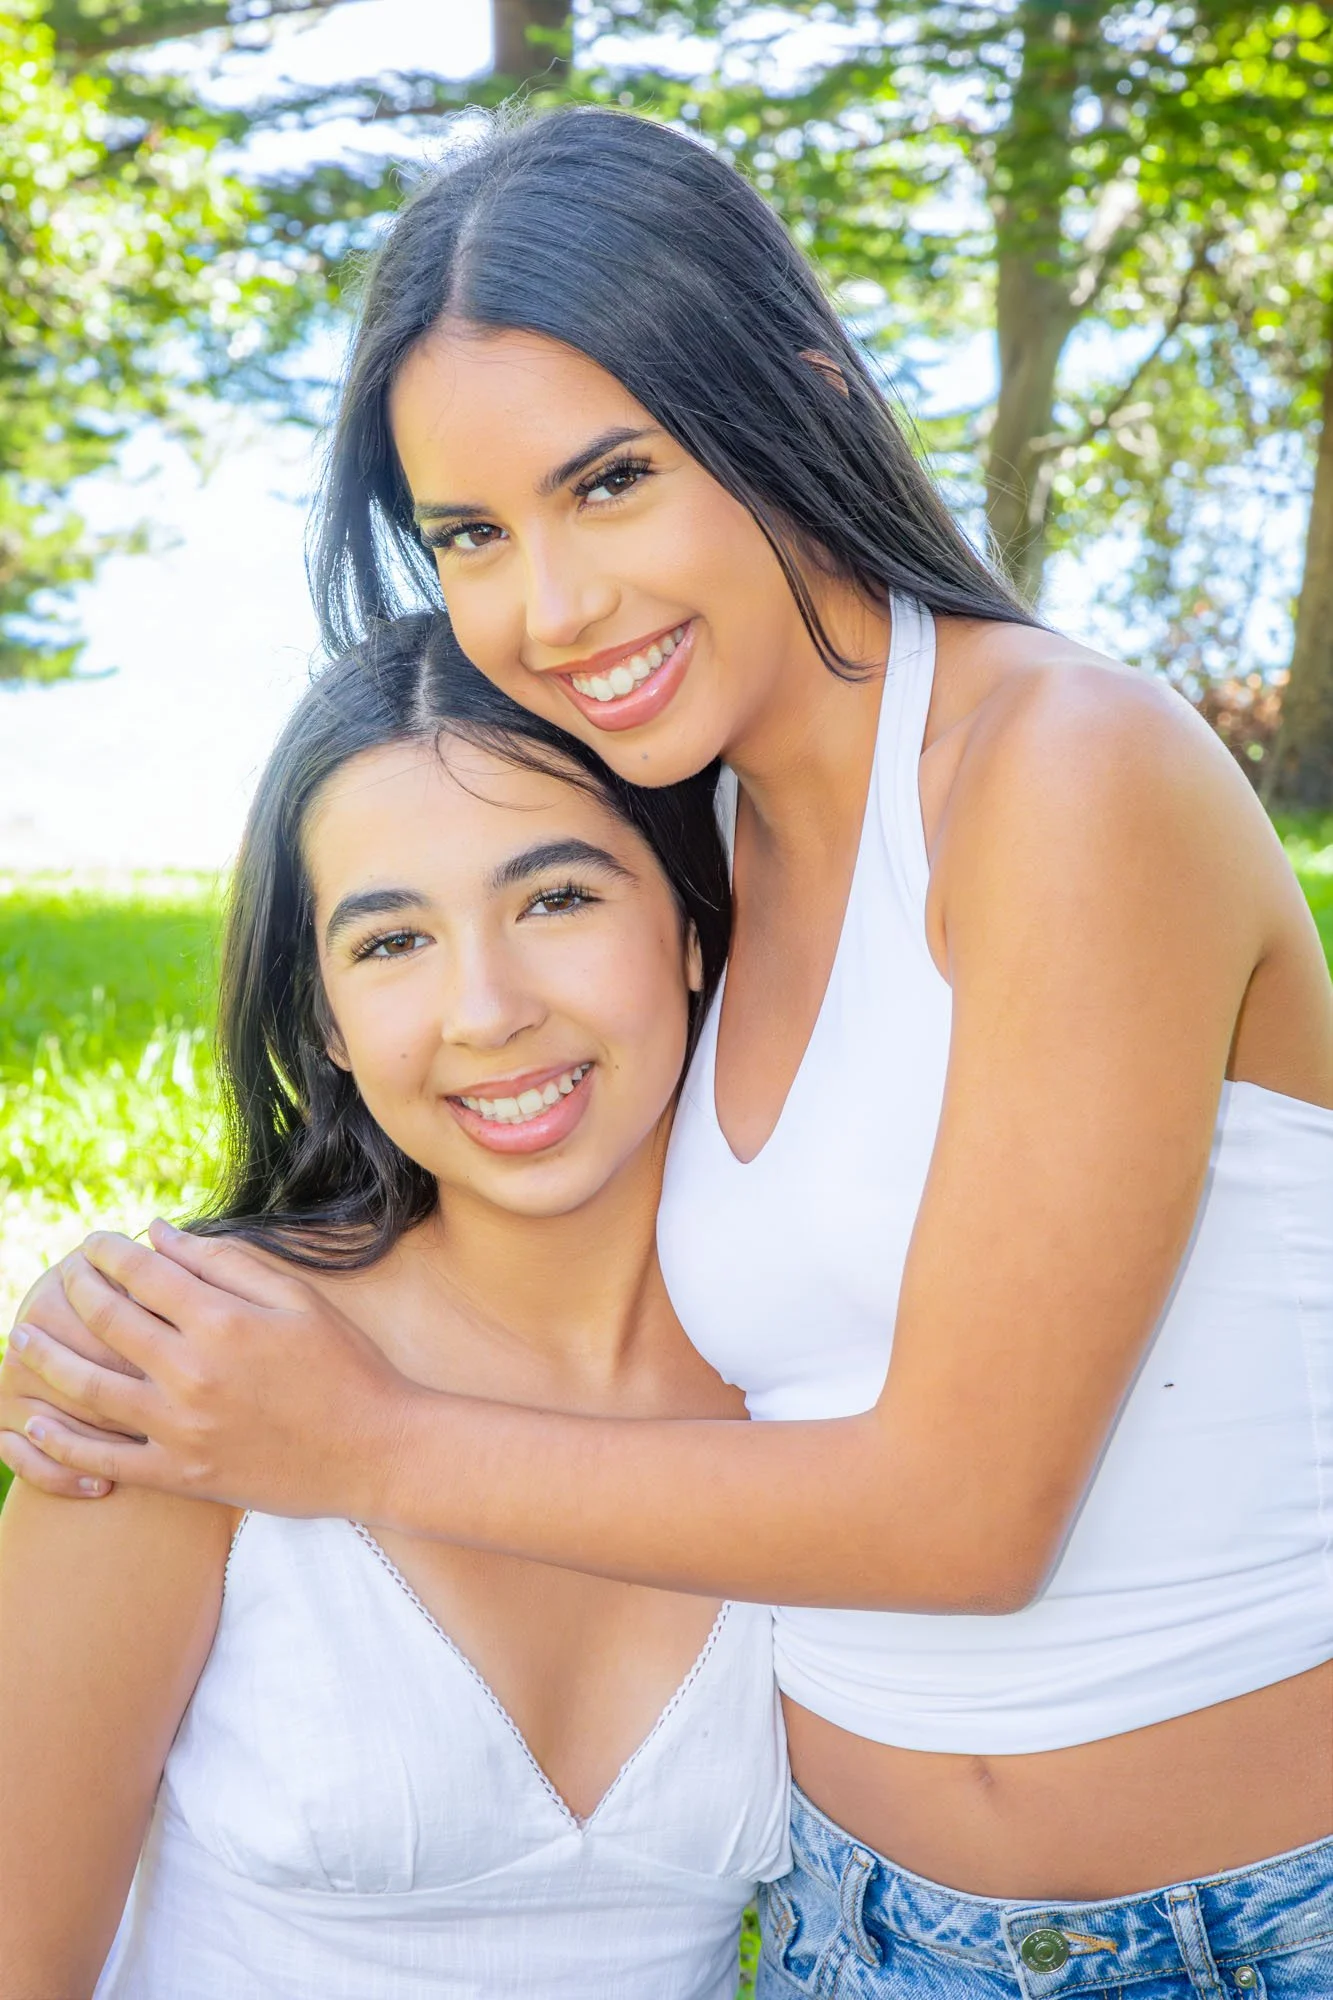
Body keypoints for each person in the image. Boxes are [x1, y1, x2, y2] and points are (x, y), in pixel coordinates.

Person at [6, 107, 1333, 1997]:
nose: (551, 610)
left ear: (790, 397)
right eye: (471, 534)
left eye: (609, 482)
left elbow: (972, 1513)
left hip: (1243, 1929)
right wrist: (138, 1315)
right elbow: (484, 1141)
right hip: (849, 1936)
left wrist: (357, 1444)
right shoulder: (689, 848)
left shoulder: (1065, 774)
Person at [0, 614, 789, 2000]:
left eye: (555, 899)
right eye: (391, 943)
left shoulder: (826, 1374)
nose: (483, 1010)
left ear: (689, 922)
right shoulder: (183, 1373)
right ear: (323, 1020)